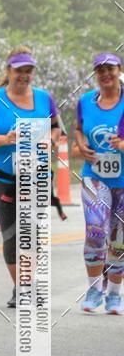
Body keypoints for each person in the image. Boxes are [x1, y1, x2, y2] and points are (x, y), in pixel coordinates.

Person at [0, 48, 61, 308]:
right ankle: (22, 288)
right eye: (19, 71)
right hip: (5, 176)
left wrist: (51, 140)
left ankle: (28, 283)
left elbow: (56, 127)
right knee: (13, 234)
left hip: (37, 176)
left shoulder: (44, 98)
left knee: (34, 234)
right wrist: (6, 139)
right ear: (8, 71)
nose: (24, 76)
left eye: (28, 71)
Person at [75, 53, 124, 314]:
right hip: (95, 177)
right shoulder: (85, 102)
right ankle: (94, 288)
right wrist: (81, 145)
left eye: (110, 69)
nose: (105, 74)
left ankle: (114, 295)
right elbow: (79, 130)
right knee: (95, 232)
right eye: (100, 70)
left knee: (119, 239)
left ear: (119, 70)